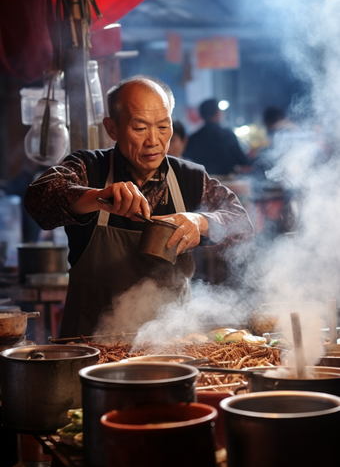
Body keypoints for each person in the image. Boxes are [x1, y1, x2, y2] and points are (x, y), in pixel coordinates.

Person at [24, 76, 253, 337]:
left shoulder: (191, 178)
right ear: (112, 128)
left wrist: (200, 222)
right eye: (140, 128)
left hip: (172, 345)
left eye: (163, 127)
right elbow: (37, 200)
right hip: (91, 345)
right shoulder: (89, 168)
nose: (153, 141)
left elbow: (242, 229)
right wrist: (100, 196)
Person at [183, 98, 252, 175]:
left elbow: (186, 160)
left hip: (200, 181)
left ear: (201, 114)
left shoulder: (193, 138)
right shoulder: (228, 135)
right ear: (218, 113)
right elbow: (242, 161)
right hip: (226, 183)